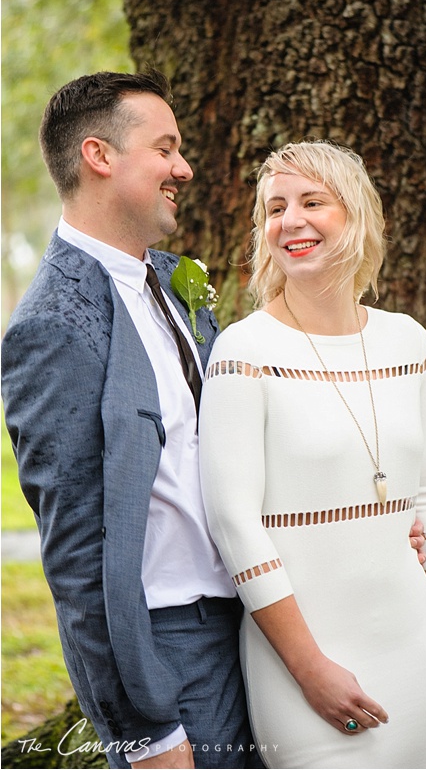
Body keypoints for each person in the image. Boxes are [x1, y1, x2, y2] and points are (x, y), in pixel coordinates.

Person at [198, 140, 426, 768]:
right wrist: (309, 669)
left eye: (312, 202)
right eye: (275, 208)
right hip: (302, 658)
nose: (290, 221)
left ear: (355, 216)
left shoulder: (407, 340)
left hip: (415, 644)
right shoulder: (244, 351)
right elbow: (234, 524)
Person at [1, 71, 254, 768]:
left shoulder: (176, 285)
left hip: (252, 635)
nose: (185, 167)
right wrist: (143, 735)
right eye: (166, 148)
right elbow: (78, 565)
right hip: (170, 657)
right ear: (99, 156)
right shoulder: (52, 327)